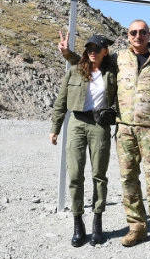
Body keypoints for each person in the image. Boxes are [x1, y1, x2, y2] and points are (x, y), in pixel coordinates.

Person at [59, 20, 150, 255]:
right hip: (124, 129)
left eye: (142, 32)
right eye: (133, 32)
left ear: (149, 35)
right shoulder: (118, 59)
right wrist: (68, 54)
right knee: (128, 179)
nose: (138, 36)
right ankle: (136, 226)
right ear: (128, 36)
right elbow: (90, 64)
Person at [50, 34, 117, 247]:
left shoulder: (113, 72)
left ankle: (98, 223)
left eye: (97, 48)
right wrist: (55, 128)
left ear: (105, 51)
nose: (93, 51)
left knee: (99, 174)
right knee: (75, 175)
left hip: (100, 125)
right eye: (89, 47)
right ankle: (78, 224)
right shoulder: (75, 70)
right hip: (77, 123)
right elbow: (61, 101)